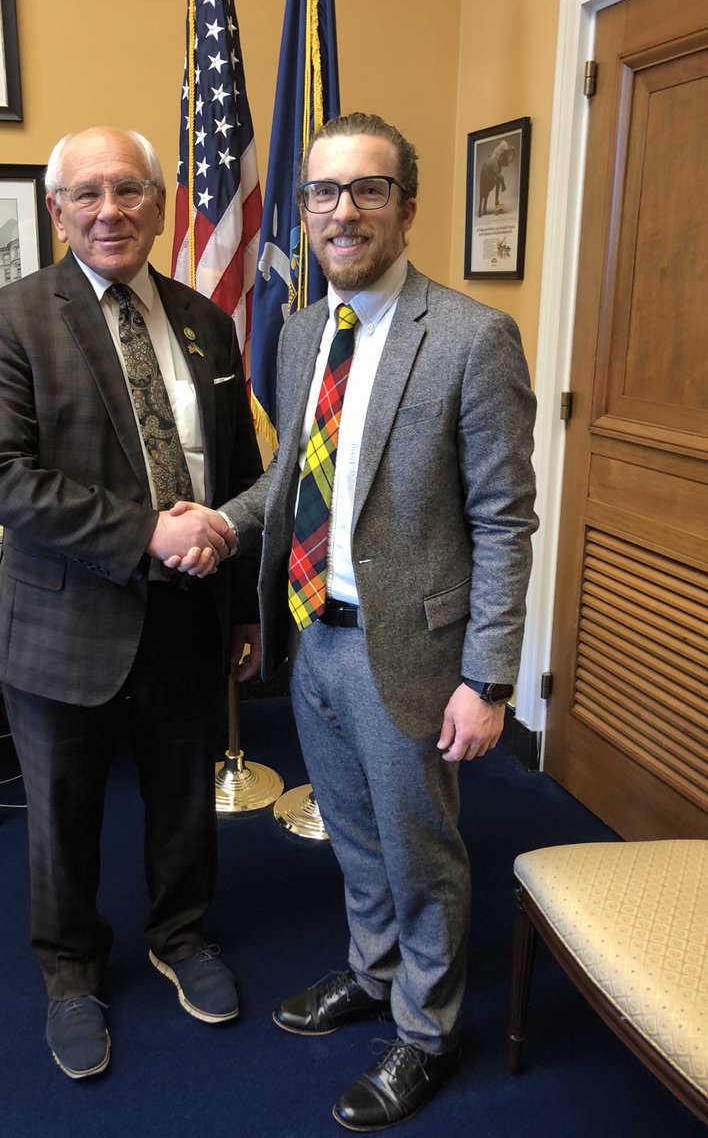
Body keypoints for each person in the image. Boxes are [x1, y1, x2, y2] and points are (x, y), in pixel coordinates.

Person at [178, 112, 538, 1129]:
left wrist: (490, 678)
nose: (343, 211)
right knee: (353, 839)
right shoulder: (301, 334)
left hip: (416, 655)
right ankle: (372, 974)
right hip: (313, 640)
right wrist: (219, 522)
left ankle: (427, 1032)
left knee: (423, 851)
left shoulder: (472, 338)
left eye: (367, 189)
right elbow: (295, 482)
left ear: (406, 207)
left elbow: (506, 520)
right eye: (325, 193)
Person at [0, 126, 263, 1080]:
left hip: (191, 612)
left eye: (129, 190)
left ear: (161, 204)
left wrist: (245, 608)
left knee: (183, 798)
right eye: (86, 194)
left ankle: (180, 932)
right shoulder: (11, 317)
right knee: (64, 812)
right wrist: (145, 532)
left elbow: (241, 468)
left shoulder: (207, 319)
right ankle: (73, 970)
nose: (109, 210)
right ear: (57, 211)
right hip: (66, 617)